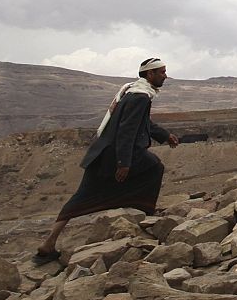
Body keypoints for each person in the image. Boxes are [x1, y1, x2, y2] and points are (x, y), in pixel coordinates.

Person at [34, 57, 178, 262]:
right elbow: (127, 130)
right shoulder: (140, 97)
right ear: (150, 74)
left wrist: (165, 135)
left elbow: (144, 122)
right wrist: (123, 163)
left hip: (102, 152)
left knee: (81, 197)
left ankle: (49, 242)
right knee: (155, 168)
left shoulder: (131, 91)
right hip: (114, 155)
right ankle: (145, 211)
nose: (165, 76)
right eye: (162, 72)